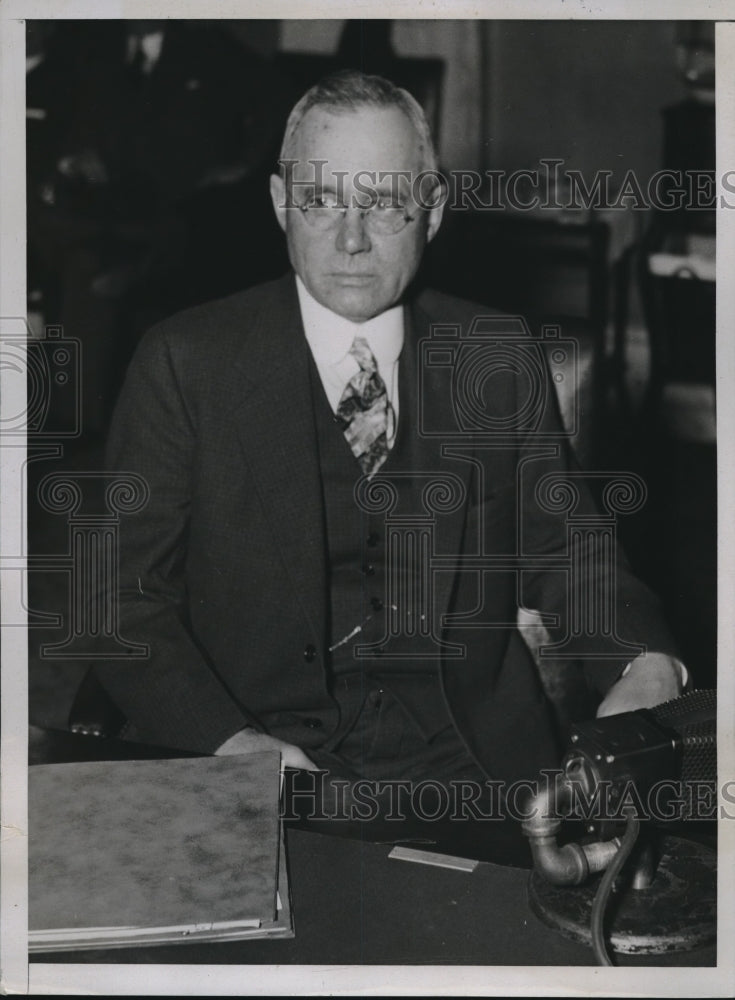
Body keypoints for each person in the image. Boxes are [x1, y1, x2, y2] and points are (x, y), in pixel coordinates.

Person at [83, 71, 684, 812]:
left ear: (431, 212)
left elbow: (567, 552)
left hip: (472, 761)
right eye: (321, 200)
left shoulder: (493, 354)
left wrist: (646, 662)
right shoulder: (183, 362)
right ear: (279, 204)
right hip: (250, 750)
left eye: (383, 203)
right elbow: (117, 601)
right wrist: (233, 747)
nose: (351, 239)